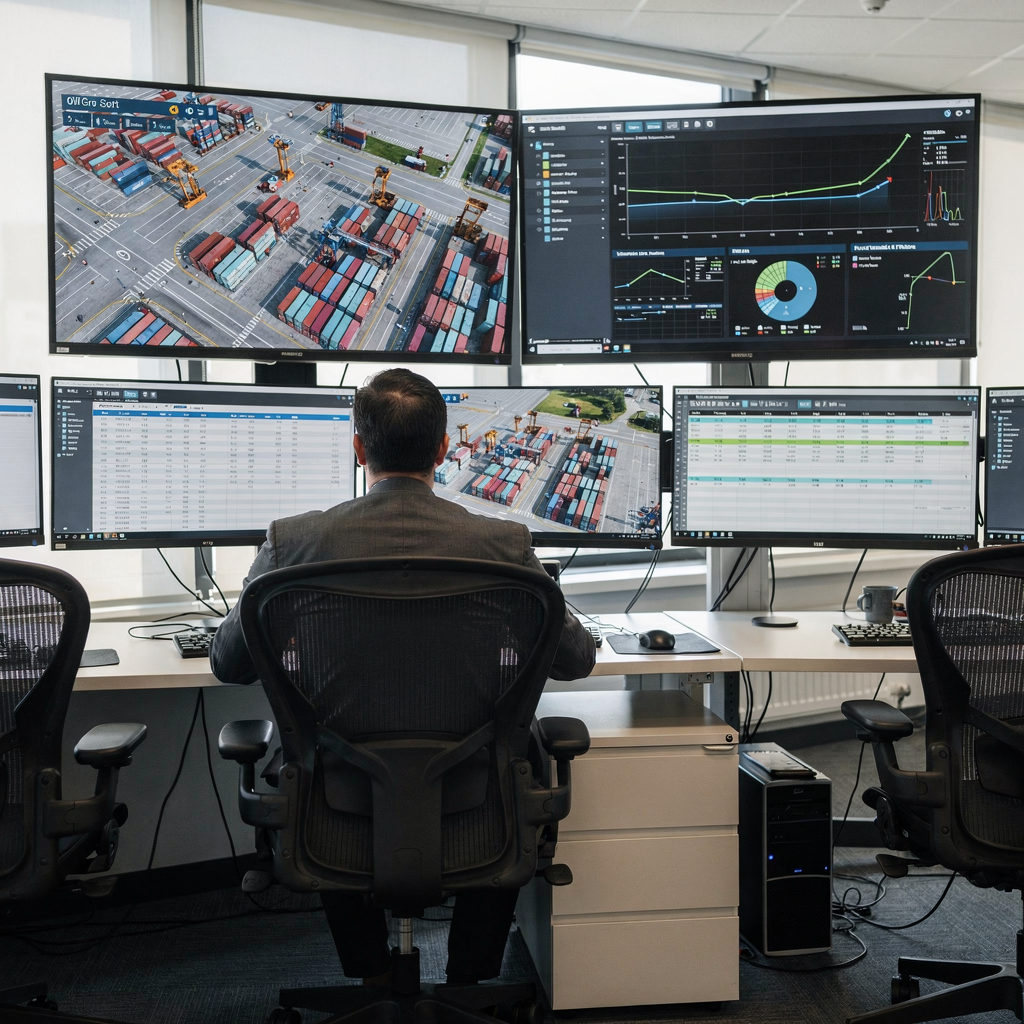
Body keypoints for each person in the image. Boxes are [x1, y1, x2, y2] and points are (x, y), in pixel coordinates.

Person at [210, 368, 596, 986]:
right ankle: (471, 976)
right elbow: (577, 660)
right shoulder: (504, 544)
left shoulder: (293, 543)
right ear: (444, 450)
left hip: (334, 810)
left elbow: (227, 663)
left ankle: (366, 972)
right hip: (475, 806)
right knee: (518, 746)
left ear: (358, 448)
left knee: (306, 747)